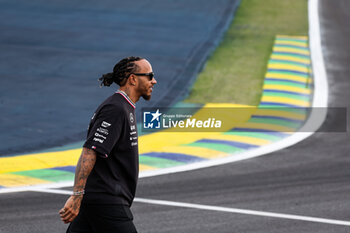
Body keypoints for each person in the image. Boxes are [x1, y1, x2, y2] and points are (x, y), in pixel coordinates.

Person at [59, 56, 157, 233]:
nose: (154, 81)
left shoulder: (125, 107)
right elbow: (90, 151)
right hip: (107, 200)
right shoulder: (116, 109)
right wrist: (76, 195)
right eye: (149, 76)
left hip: (97, 200)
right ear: (133, 79)